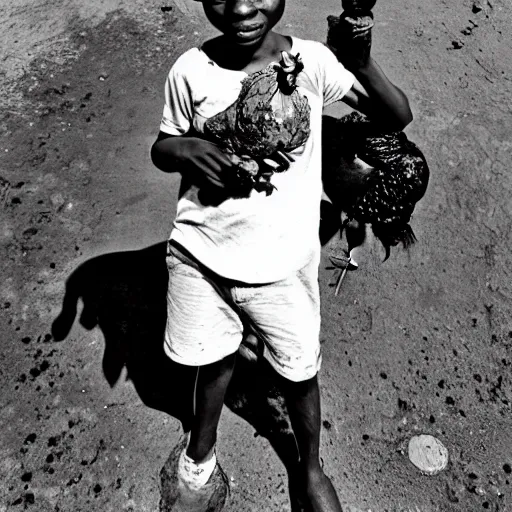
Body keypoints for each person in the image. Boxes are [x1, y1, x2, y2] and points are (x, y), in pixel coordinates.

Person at [151, 0, 413, 510]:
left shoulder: (311, 63)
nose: (243, 6)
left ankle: (310, 466)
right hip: (201, 255)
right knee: (214, 357)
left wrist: (360, 62)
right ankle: (199, 455)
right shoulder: (190, 70)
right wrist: (182, 150)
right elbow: (163, 145)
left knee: (298, 373)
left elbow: (396, 115)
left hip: (283, 267)